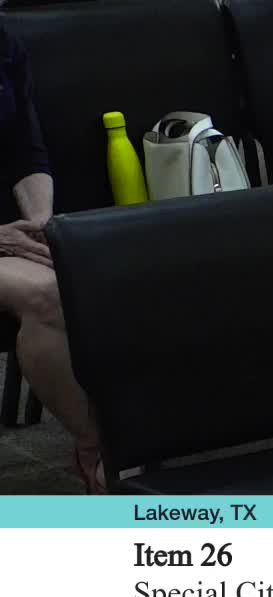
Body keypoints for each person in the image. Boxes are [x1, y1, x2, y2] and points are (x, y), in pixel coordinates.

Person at [0, 19, 103, 493]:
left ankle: (149, 434)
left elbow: (28, 154)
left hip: (10, 232)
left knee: (114, 266)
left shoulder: (4, 42)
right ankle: (97, 451)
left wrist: (42, 226)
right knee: (46, 294)